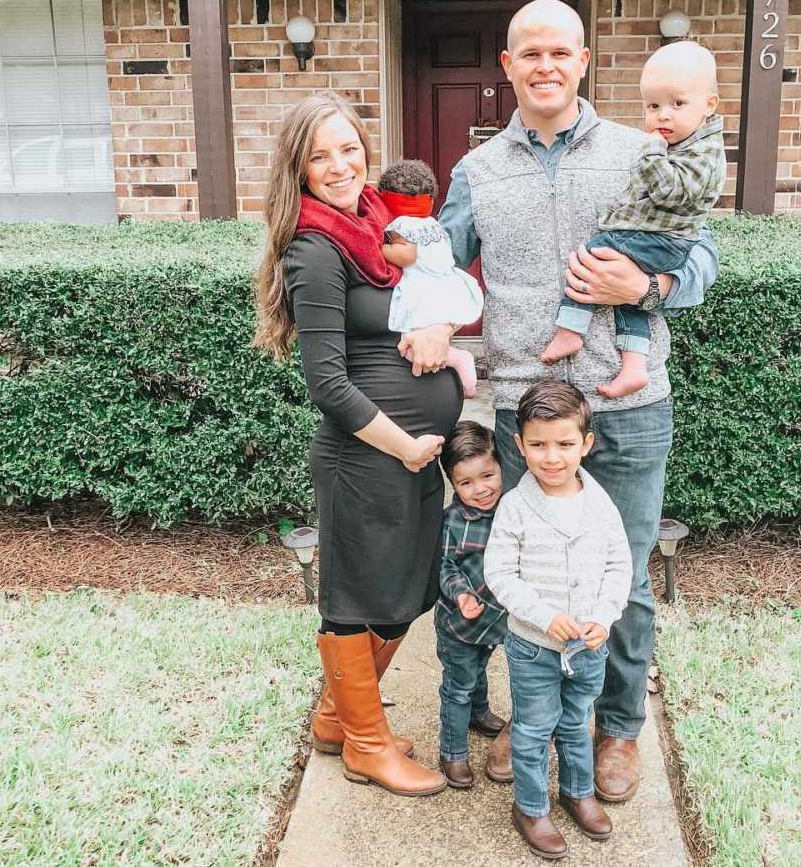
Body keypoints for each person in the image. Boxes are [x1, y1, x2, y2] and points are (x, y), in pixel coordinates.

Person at [437, 0, 719, 805]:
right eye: (530, 53)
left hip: (624, 406)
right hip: (522, 411)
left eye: (561, 51)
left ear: (585, 60)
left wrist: (652, 283)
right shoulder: (478, 170)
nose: (546, 66)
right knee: (521, 575)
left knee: (619, 579)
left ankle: (616, 730)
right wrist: (429, 325)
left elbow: (702, 260)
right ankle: (532, 725)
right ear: (508, 65)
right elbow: (443, 270)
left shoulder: (644, 148)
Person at [254, 91, 463, 797]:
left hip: (405, 454)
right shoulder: (315, 249)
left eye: (349, 148)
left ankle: (336, 718)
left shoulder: (375, 227)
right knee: (356, 600)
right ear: (299, 170)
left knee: (405, 591)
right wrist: (405, 446)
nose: (341, 165)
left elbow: (424, 301)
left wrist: (443, 336)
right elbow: (327, 385)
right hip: (366, 456)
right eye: (320, 155)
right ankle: (366, 745)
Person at [485, 380, 632, 856]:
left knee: (576, 721)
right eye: (539, 444)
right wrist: (545, 616)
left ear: (585, 445)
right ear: (519, 444)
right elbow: (500, 575)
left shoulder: (600, 503)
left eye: (565, 444)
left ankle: (577, 792)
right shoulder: (514, 507)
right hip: (534, 646)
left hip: (588, 644)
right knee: (532, 727)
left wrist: (605, 616)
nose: (552, 457)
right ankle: (530, 806)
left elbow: (619, 566)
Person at [541, 40, 726, 399]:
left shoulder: (666, 149)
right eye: (653, 105)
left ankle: (570, 329)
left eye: (677, 104)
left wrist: (652, 288)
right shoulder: (673, 146)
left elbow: (698, 244)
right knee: (627, 300)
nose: (663, 115)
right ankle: (634, 365)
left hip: (666, 243)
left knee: (596, 252)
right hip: (529, 397)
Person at [435, 421, 508, 789]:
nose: (480, 489)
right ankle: (453, 752)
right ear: (453, 484)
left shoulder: (509, 513)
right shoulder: (453, 522)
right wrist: (461, 594)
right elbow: (445, 565)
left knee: (480, 668)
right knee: (458, 685)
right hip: (459, 624)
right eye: (466, 483)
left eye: (488, 475)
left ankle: (479, 714)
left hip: (494, 622)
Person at [378, 159, 484, 398]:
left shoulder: (400, 224)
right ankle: (460, 370)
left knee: (410, 344)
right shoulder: (431, 224)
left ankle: (457, 359)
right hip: (445, 284)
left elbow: (406, 255)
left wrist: (377, 250)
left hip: (421, 290)